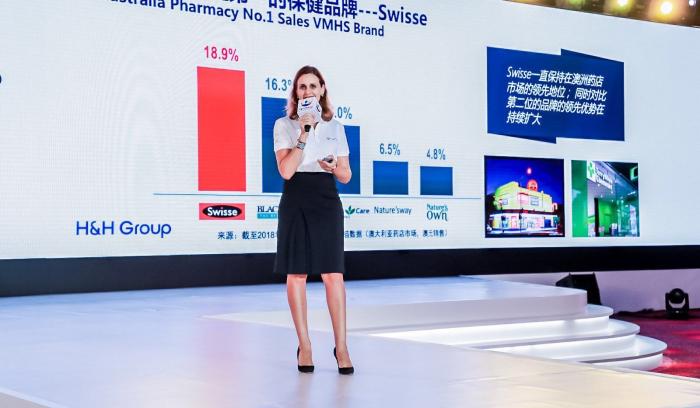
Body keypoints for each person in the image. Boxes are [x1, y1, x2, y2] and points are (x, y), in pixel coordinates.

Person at [273, 65, 354, 375]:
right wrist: (304, 134)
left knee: (333, 274)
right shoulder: (284, 125)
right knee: (297, 273)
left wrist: (334, 167)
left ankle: (341, 347)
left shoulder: (336, 127)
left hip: (326, 197)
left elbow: (346, 175)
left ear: (322, 90)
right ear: (296, 93)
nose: (307, 91)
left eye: (312, 86)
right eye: (301, 86)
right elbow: (286, 171)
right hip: (296, 196)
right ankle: (304, 345)